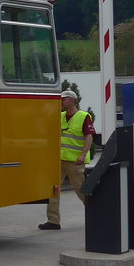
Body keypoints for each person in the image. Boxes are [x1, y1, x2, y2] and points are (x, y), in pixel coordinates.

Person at [40, 88, 95, 230]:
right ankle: (53, 221)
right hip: (59, 160)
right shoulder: (60, 116)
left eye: (64, 99)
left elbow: (89, 136)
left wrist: (83, 155)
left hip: (75, 161)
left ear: (73, 101)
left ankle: (97, 214)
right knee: (53, 189)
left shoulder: (83, 116)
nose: (61, 101)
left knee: (81, 189)